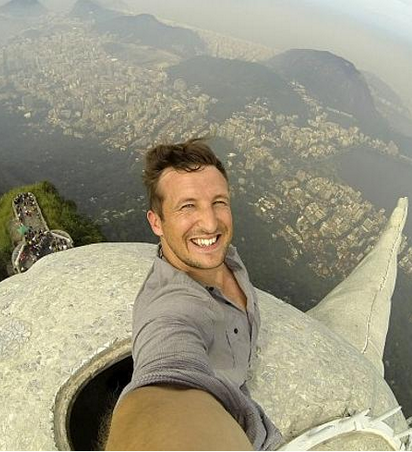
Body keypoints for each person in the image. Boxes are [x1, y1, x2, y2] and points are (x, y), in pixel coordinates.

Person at [105, 138, 282, 450]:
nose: (210, 223)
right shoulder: (171, 308)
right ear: (156, 222)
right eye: (188, 206)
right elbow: (163, 386)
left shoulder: (226, 259)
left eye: (219, 202)